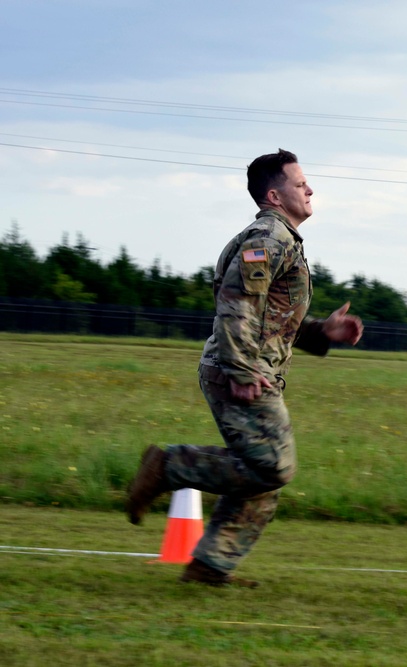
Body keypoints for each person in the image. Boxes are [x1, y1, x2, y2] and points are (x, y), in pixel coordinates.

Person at [125, 149, 363, 587]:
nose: (309, 189)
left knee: (259, 475)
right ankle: (169, 467)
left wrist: (320, 331)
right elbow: (237, 309)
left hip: (250, 367)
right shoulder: (267, 241)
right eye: (299, 183)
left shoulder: (282, 240)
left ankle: (211, 566)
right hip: (238, 370)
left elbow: (269, 318)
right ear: (274, 195)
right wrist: (239, 369)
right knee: (274, 464)